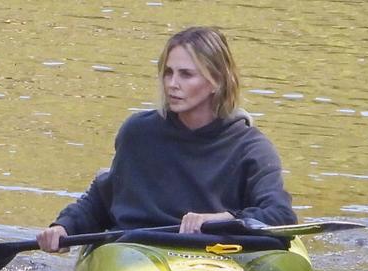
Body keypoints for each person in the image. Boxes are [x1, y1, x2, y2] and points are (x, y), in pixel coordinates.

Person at [37, 26, 296, 253]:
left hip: (210, 252)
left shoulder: (251, 147)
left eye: (186, 74)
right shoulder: (137, 133)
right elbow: (104, 199)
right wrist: (64, 227)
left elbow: (280, 215)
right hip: (133, 249)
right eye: (168, 72)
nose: (172, 84)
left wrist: (221, 219)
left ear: (217, 81)